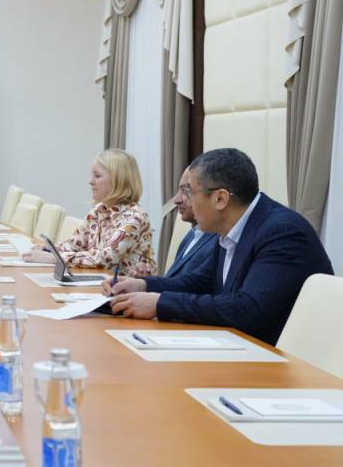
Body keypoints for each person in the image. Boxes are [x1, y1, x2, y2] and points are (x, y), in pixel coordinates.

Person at [107, 148, 334, 345]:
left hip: (280, 362)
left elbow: (248, 309)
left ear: (220, 199)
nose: (183, 200)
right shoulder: (233, 227)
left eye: (189, 192)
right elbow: (202, 282)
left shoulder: (282, 232)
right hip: (240, 346)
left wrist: (160, 303)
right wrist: (144, 285)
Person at [22, 148, 157, 275]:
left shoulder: (135, 218)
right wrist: (47, 250)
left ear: (118, 180)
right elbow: (74, 244)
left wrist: (54, 258)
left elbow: (104, 258)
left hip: (121, 289)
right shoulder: (98, 211)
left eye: (97, 176)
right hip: (100, 283)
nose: (90, 181)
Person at [163, 168, 217, 278]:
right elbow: (176, 280)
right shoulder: (192, 234)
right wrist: (148, 282)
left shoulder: (221, 241)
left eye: (186, 191)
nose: (176, 200)